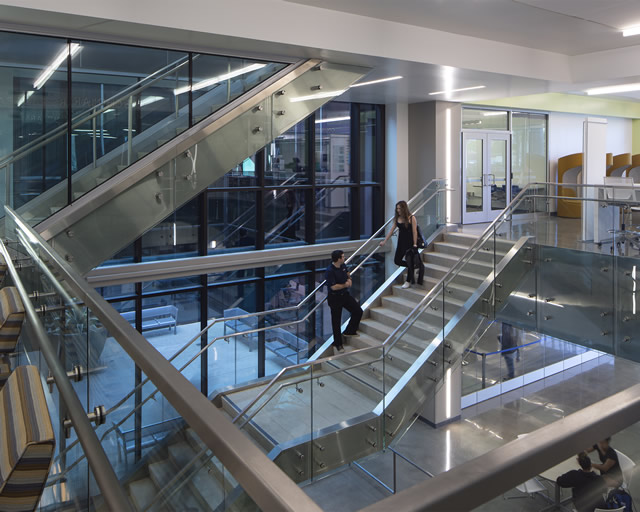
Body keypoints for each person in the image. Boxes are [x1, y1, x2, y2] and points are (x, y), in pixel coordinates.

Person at [379, 200, 424, 289]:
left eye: (400, 208)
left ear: (404, 208)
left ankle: (408, 281)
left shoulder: (412, 218)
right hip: (401, 242)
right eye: (397, 209)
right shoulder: (397, 218)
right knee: (397, 260)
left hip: (410, 243)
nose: (398, 210)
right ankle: (413, 267)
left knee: (409, 260)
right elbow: (391, 230)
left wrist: (415, 244)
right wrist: (384, 241)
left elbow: (415, 231)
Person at [325, 249, 363, 353]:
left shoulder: (343, 266)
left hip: (344, 295)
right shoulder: (330, 271)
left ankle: (350, 331)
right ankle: (338, 344)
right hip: (335, 298)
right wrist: (345, 285)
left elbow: (347, 273)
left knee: (358, 311)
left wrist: (349, 279)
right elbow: (333, 287)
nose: (344, 258)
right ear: (338, 259)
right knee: (336, 322)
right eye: (342, 257)